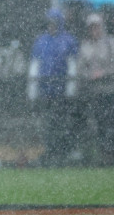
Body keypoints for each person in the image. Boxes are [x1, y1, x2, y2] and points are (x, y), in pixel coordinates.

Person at [28, 9, 79, 166]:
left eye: (54, 23)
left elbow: (72, 65)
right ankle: (50, 151)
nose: (52, 26)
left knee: (63, 123)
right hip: (45, 90)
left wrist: (71, 87)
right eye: (49, 23)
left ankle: (63, 152)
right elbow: (35, 65)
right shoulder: (41, 41)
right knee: (48, 123)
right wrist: (32, 89)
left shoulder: (68, 40)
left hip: (62, 90)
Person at [77, 13, 114, 166]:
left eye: (97, 27)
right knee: (98, 125)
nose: (95, 30)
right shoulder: (85, 46)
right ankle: (103, 156)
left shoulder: (110, 43)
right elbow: (80, 68)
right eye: (91, 27)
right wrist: (89, 75)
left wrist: (103, 73)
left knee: (110, 124)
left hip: (110, 91)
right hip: (94, 93)